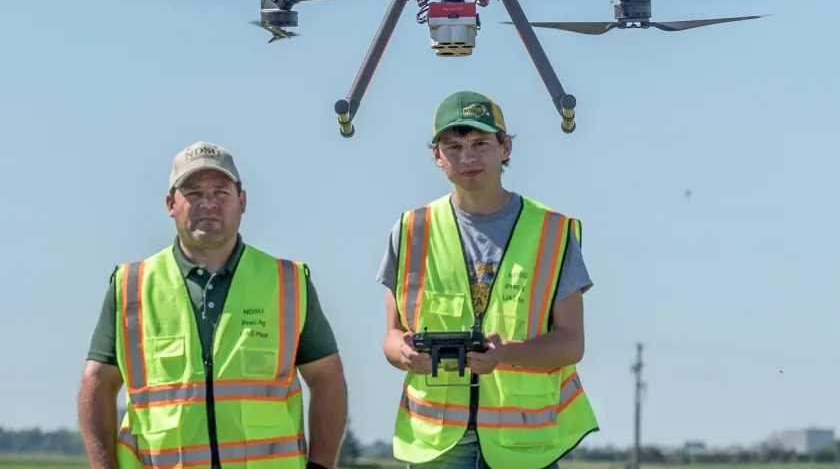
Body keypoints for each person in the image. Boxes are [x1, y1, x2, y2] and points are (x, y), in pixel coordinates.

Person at [77, 140, 347, 469]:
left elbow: (327, 378)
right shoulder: (130, 286)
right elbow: (97, 383)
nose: (208, 203)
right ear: (170, 204)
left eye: (221, 192)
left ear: (242, 201)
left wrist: (319, 467)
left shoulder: (288, 282)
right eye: (193, 192)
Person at [376, 92, 600, 469]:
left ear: (505, 146)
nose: (467, 157)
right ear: (437, 156)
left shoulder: (552, 232)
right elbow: (392, 335)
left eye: (480, 143)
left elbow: (571, 343)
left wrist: (505, 354)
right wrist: (405, 353)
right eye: (454, 146)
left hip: (525, 445)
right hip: (437, 442)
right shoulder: (411, 230)